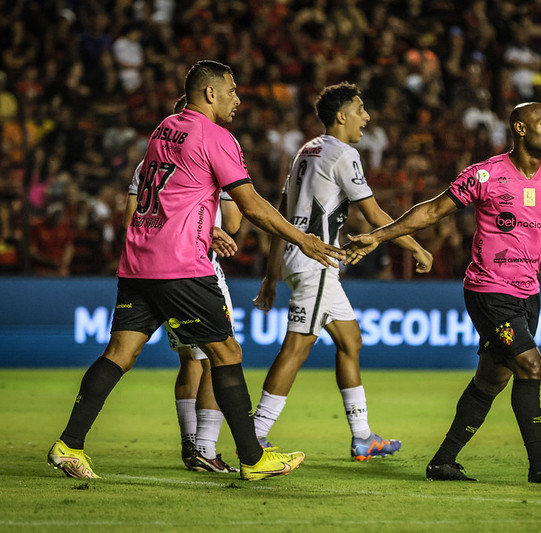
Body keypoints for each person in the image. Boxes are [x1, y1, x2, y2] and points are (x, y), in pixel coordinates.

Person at [48, 60, 345, 481]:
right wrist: (304, 239)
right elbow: (251, 205)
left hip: (138, 261)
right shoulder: (215, 136)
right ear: (210, 93)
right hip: (181, 266)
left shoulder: (164, 129)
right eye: (232, 91)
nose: (237, 100)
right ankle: (253, 457)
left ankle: (69, 444)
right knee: (227, 353)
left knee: (120, 353)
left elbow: (171, 195)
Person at [345, 102, 541, 482]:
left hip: (528, 293)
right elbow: (434, 211)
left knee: (492, 379)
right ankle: (540, 465)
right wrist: (378, 235)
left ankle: (442, 462)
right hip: (489, 293)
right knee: (530, 365)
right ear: (520, 128)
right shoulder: (485, 175)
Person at [251, 82, 433, 460]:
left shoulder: (306, 150)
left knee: (350, 342)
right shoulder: (343, 154)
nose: (366, 117)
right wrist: (416, 246)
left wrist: (271, 276)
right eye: (360, 109)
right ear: (341, 116)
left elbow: (281, 216)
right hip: (315, 261)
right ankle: (254, 435)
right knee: (297, 348)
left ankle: (363, 436)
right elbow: (374, 215)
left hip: (300, 258)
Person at [123, 103, 242, 474]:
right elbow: (235, 223)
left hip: (150, 265)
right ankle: (205, 448)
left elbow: (131, 218)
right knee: (219, 358)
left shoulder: (148, 162)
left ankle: (190, 444)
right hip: (195, 267)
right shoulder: (213, 148)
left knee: (190, 361)